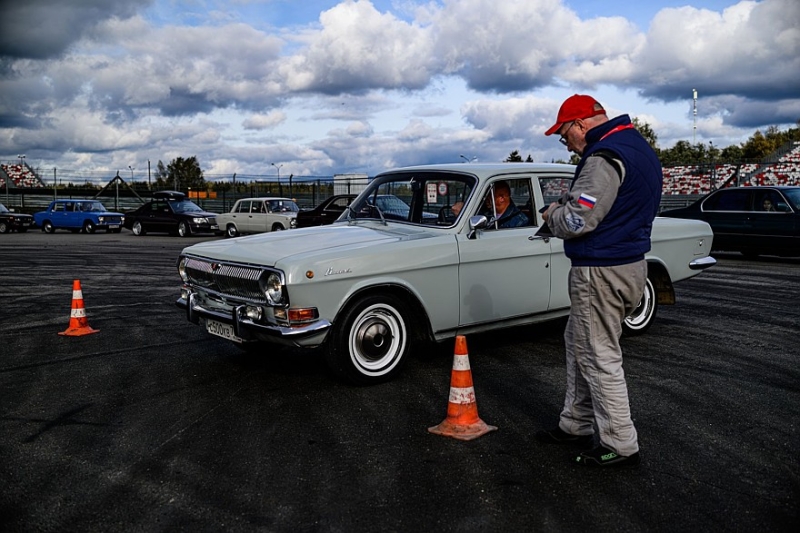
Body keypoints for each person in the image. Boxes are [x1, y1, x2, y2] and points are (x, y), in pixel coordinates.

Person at [538, 94, 662, 468]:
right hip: (629, 263)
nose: (567, 144)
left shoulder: (603, 156)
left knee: (598, 355)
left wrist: (552, 212)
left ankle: (619, 443)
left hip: (601, 269)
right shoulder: (638, 147)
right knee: (579, 342)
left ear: (579, 125)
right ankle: (575, 424)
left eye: (564, 136)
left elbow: (578, 221)